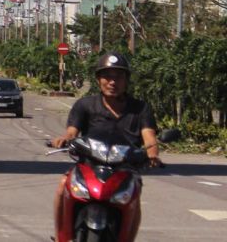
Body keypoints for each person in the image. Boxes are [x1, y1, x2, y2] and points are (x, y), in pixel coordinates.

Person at [50, 52, 161, 233]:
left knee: (133, 196)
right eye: (107, 77)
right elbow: (71, 132)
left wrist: (153, 155)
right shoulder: (85, 105)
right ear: (98, 80)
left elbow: (149, 137)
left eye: (118, 77)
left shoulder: (140, 108)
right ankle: (61, 235)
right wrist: (64, 139)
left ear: (126, 80)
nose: (112, 82)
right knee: (63, 186)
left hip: (125, 169)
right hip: (89, 166)